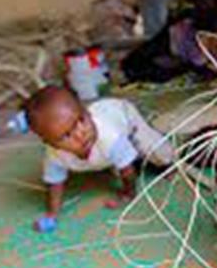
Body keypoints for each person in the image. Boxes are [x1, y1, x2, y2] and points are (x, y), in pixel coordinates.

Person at [24, 86, 174, 233]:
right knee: (114, 160)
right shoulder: (54, 155)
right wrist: (52, 213)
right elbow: (54, 184)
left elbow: (127, 171)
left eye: (81, 120)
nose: (80, 134)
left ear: (87, 112)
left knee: (155, 150)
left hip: (124, 116)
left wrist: (128, 194)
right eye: (67, 135)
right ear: (50, 143)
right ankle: (123, 155)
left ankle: (169, 163)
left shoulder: (109, 136)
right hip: (107, 140)